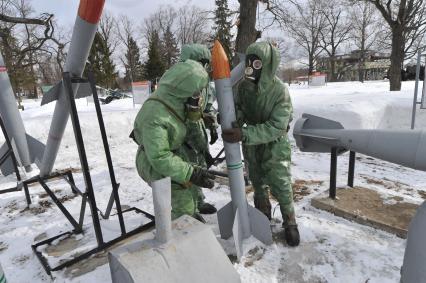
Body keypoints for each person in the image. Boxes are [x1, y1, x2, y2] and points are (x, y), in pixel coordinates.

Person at [222, 42, 300, 246]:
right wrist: (230, 122)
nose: (250, 68)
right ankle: (262, 213)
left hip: (275, 146)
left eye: (256, 63)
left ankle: (290, 222)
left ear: (267, 65)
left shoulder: (279, 91)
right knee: (257, 182)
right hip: (252, 145)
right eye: (248, 62)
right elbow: (237, 109)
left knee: (281, 184)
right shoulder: (243, 88)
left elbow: (277, 126)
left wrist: (245, 134)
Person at [133, 60, 216, 221]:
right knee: (182, 195)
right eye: (197, 91)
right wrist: (190, 172)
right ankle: (181, 225)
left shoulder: (175, 101)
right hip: (152, 161)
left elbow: (190, 128)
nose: (199, 96)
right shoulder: (156, 116)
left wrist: (203, 151)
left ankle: (189, 216)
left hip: (173, 153)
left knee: (190, 188)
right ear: (185, 89)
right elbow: (159, 157)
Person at [179, 44, 219, 214]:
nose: (203, 69)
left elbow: (208, 108)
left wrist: (213, 125)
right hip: (183, 136)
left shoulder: (205, 86)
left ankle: (199, 201)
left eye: (205, 65)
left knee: (200, 167)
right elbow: (190, 120)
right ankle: (190, 209)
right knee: (188, 171)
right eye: (201, 64)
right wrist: (202, 148)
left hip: (198, 133)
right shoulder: (183, 84)